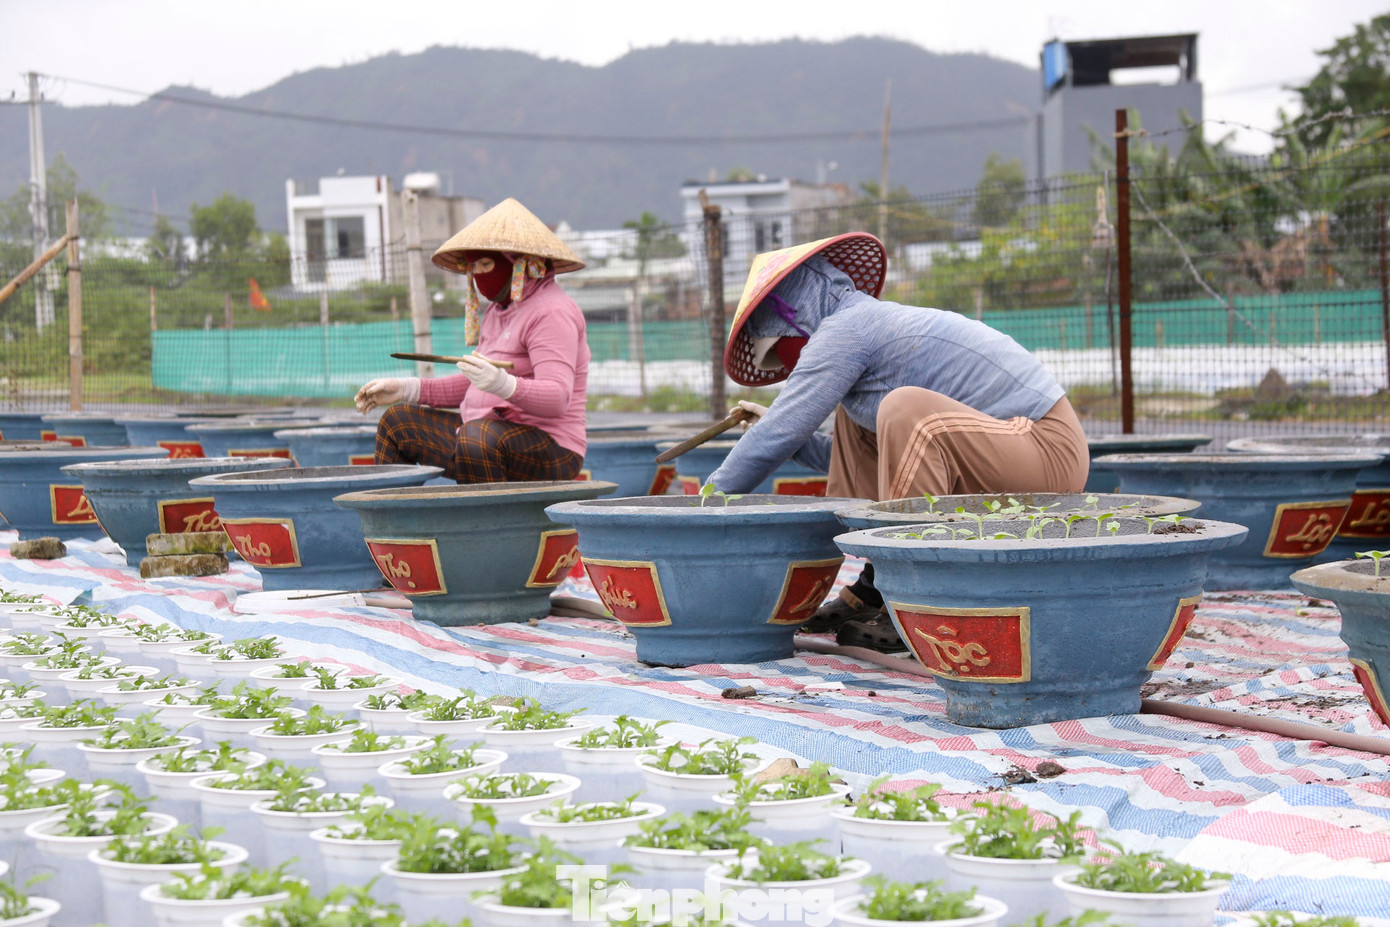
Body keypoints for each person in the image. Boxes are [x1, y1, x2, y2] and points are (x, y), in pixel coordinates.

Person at [708, 232, 1089, 651]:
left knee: (906, 409)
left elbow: (781, 432)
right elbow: (848, 457)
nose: (788, 366)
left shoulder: (848, 330)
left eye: (783, 354)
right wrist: (783, 434)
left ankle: (914, 600)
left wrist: (709, 501)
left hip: (1045, 446)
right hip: (1003, 449)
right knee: (855, 415)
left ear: (794, 320)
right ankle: (874, 585)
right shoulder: (859, 330)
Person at [354, 197, 590, 483]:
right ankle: (393, 524)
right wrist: (407, 389)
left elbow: (558, 398)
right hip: (484, 434)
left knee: (477, 437)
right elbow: (476, 381)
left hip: (552, 447)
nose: (479, 275)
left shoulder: (551, 311)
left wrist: (504, 384)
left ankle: (485, 526)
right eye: (473, 267)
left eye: (487, 264)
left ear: (518, 263)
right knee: (398, 423)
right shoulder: (498, 310)